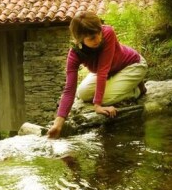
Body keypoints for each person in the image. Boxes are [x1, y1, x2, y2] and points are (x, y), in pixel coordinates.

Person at [47, 11, 148, 139]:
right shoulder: (75, 54)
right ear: (80, 40)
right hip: (110, 72)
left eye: (99, 33)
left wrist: (98, 105)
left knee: (105, 99)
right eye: (92, 38)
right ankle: (126, 85)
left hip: (132, 65)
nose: (98, 39)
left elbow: (102, 71)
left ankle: (136, 89)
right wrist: (58, 124)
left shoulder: (108, 33)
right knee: (82, 93)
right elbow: (69, 90)